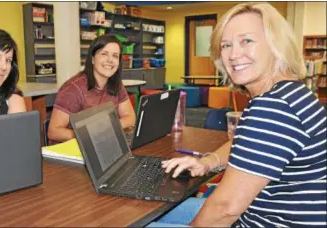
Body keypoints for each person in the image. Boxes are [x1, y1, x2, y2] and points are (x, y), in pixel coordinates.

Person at [149, 2, 326, 227]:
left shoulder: (273, 108)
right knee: (164, 208)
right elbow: (245, 144)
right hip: (267, 213)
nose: (233, 55)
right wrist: (207, 163)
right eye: (226, 45)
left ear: (275, 45)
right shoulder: (291, 92)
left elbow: (225, 209)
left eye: (247, 41)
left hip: (267, 221)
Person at [48, 35, 136, 143]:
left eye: (115, 56)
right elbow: (54, 132)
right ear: (93, 58)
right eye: (104, 54)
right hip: (74, 150)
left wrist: (106, 130)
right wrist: (88, 135)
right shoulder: (73, 88)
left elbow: (130, 118)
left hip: (103, 142)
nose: (110, 60)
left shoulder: (116, 83)